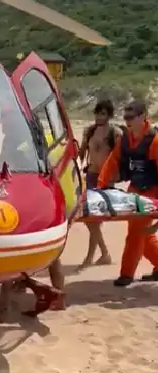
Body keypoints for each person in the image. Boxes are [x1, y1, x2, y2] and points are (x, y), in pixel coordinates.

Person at [97, 100, 158, 287]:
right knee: (143, 235)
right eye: (125, 117)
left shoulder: (155, 141)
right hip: (134, 190)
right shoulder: (125, 140)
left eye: (131, 117)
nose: (127, 121)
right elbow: (112, 161)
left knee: (136, 234)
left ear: (143, 116)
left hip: (152, 192)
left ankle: (126, 274)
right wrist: (101, 186)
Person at [78, 99, 119, 268]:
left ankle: (91, 257)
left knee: (94, 218)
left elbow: (120, 155)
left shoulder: (115, 133)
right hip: (91, 175)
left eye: (102, 113)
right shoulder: (89, 131)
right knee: (90, 218)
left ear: (109, 115)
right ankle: (104, 254)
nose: (99, 117)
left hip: (106, 179)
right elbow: (81, 153)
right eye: (97, 113)